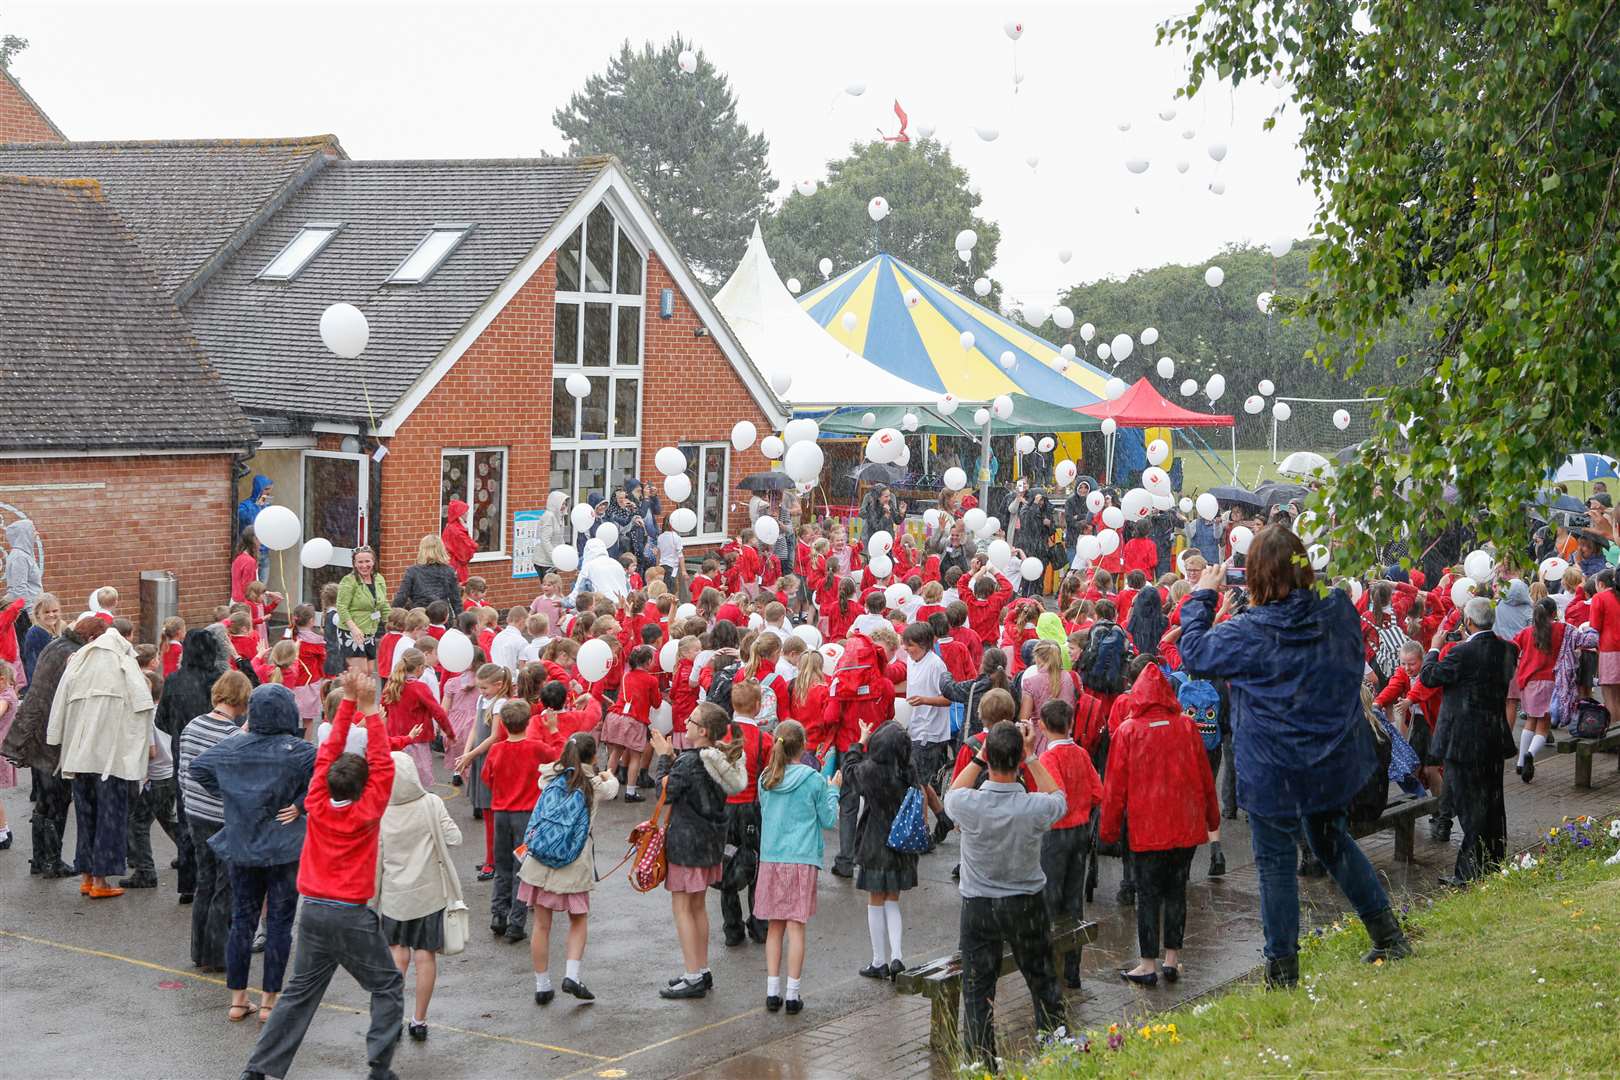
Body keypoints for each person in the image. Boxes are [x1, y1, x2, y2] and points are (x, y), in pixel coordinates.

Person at [1178, 525, 1410, 988]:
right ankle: (1386, 933)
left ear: (1256, 578)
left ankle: (1282, 971)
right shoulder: (1338, 612)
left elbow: (1194, 654)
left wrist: (1204, 596)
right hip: (1328, 759)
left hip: (1272, 766)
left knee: (1277, 864)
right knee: (1332, 842)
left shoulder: (1248, 632)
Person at [239, 671, 401, 1080]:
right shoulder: (368, 809)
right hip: (350, 914)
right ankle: (380, 1068)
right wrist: (369, 709)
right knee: (386, 987)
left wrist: (348, 703)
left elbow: (327, 752)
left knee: (298, 994)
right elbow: (381, 764)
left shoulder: (316, 800)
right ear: (365, 788)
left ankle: (259, 1070)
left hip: (312, 913)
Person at [944, 720, 1069, 1068]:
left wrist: (979, 759)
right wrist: (1031, 758)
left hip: (979, 906)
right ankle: (1055, 1053)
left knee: (977, 991)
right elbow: (1059, 799)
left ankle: (982, 1064)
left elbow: (952, 794)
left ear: (988, 758)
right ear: (1017, 760)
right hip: (1026, 903)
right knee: (1042, 980)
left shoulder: (969, 805)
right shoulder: (1033, 808)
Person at [190, 683, 316, 1024]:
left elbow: (197, 768)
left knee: (241, 922)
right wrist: (301, 805)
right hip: (284, 847)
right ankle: (270, 1001)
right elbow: (326, 777)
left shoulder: (232, 747)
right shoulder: (300, 751)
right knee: (279, 923)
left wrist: (234, 795)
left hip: (243, 844)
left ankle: (237, 999)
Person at [1098, 664, 1220, 986]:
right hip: (1184, 825)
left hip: (1147, 827)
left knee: (1147, 894)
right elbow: (1206, 778)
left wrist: (1108, 831)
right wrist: (1212, 818)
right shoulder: (1186, 727)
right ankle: (1172, 959)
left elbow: (1114, 788)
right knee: (1177, 891)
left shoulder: (1128, 730)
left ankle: (1147, 963)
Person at [45, 616, 153, 899]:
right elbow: (143, 705)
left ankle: (86, 876)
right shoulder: (124, 661)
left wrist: (56, 739)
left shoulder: (79, 659)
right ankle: (102, 882)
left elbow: (60, 703)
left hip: (79, 754)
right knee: (110, 818)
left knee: (86, 816)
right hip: (111, 756)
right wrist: (142, 751)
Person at [650, 704, 747, 999]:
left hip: (687, 843)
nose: (686, 723)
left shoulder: (688, 762)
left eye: (691, 720)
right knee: (698, 907)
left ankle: (692, 975)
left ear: (702, 731)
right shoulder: (716, 758)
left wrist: (664, 758)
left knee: (682, 909)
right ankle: (701, 969)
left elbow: (664, 792)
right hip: (710, 841)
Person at [1420, 597, 1514, 884]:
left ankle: (1468, 873)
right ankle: (1493, 861)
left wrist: (1435, 646)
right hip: (1493, 737)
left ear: (1468, 622)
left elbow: (1429, 677)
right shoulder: (1508, 649)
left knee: (1470, 808)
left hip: (1463, 742)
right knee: (1492, 803)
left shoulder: (1461, 653)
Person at [520, 732, 618, 1006]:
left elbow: (544, 776)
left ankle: (542, 985)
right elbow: (613, 790)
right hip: (574, 861)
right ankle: (572, 975)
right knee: (578, 919)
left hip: (540, 859)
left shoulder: (551, 777)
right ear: (593, 757)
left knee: (541, 924)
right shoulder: (594, 785)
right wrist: (610, 775)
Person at [754, 719, 840, 1014]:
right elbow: (828, 820)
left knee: (774, 927)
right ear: (803, 747)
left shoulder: (766, 777)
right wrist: (834, 791)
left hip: (772, 857)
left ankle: (771, 991)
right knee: (796, 928)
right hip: (802, 858)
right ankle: (793, 994)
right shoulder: (813, 779)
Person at [377, 751, 461, 1040]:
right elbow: (454, 838)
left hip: (394, 895)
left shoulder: (381, 810)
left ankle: (392, 1020)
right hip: (429, 893)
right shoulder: (432, 803)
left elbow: (377, 859)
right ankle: (419, 1020)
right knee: (426, 957)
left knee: (397, 958)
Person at [177, 669, 250, 972]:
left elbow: (184, 769)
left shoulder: (193, 725)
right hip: (222, 817)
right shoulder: (232, 736)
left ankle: (200, 950)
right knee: (226, 886)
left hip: (195, 812)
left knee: (205, 881)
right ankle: (218, 952)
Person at [3, 617, 86, 877]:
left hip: (37, 734)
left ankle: (40, 859)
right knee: (57, 802)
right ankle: (52, 861)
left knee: (44, 803)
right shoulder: (72, 654)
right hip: (52, 737)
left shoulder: (55, 646)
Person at [842, 719, 917, 980]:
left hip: (875, 840)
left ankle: (878, 961)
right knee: (893, 900)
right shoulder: (908, 770)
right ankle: (897, 956)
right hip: (901, 842)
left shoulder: (871, 771)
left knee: (875, 901)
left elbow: (849, 770)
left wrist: (859, 741)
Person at [1037, 699, 1103, 988]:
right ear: (1071, 724)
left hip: (1055, 834)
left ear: (1041, 726)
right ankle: (1072, 969)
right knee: (1073, 900)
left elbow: (1054, 800)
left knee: (1050, 900)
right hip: (1080, 831)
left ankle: (1051, 966)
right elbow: (1098, 792)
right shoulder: (1081, 753)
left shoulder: (1048, 759)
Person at [482, 701, 549, 944]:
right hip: (526, 815)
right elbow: (558, 757)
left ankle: (498, 915)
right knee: (523, 868)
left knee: (502, 866)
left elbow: (487, 777)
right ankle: (516, 922)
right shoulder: (536, 748)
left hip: (501, 813)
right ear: (528, 722)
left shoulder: (497, 749)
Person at [1512, 597, 1565, 783]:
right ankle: (1530, 754)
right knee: (1543, 726)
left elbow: (1513, 646)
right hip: (1549, 682)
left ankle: (1519, 763)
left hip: (1528, 683)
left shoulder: (1526, 633)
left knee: (1530, 722)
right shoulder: (1559, 630)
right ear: (1553, 613)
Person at [336, 546, 388, 673]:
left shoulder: (379, 578)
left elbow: (384, 604)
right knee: (360, 674)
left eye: (367, 561)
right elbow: (341, 607)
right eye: (360, 562)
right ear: (354, 564)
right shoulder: (349, 580)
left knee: (369, 671)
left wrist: (391, 625)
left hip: (370, 631)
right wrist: (353, 628)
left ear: (373, 562)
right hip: (351, 632)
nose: (364, 565)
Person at [393, 534, 463, 613]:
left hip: (420, 616)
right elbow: (456, 600)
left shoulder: (412, 571)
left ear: (422, 550)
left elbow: (402, 597)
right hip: (441, 615)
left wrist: (391, 615)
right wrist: (460, 619)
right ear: (441, 550)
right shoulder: (449, 571)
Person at [4, 517, 42, 637]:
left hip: (33, 612)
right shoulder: (19, 557)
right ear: (24, 534)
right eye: (33, 530)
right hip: (26, 617)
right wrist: (31, 615)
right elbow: (19, 589)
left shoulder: (24, 555)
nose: (37, 533)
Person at [441, 498, 478, 586]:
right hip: (457, 569)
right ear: (459, 514)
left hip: (452, 567)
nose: (467, 513)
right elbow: (465, 554)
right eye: (465, 511)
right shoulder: (457, 531)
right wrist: (474, 544)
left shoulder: (451, 527)